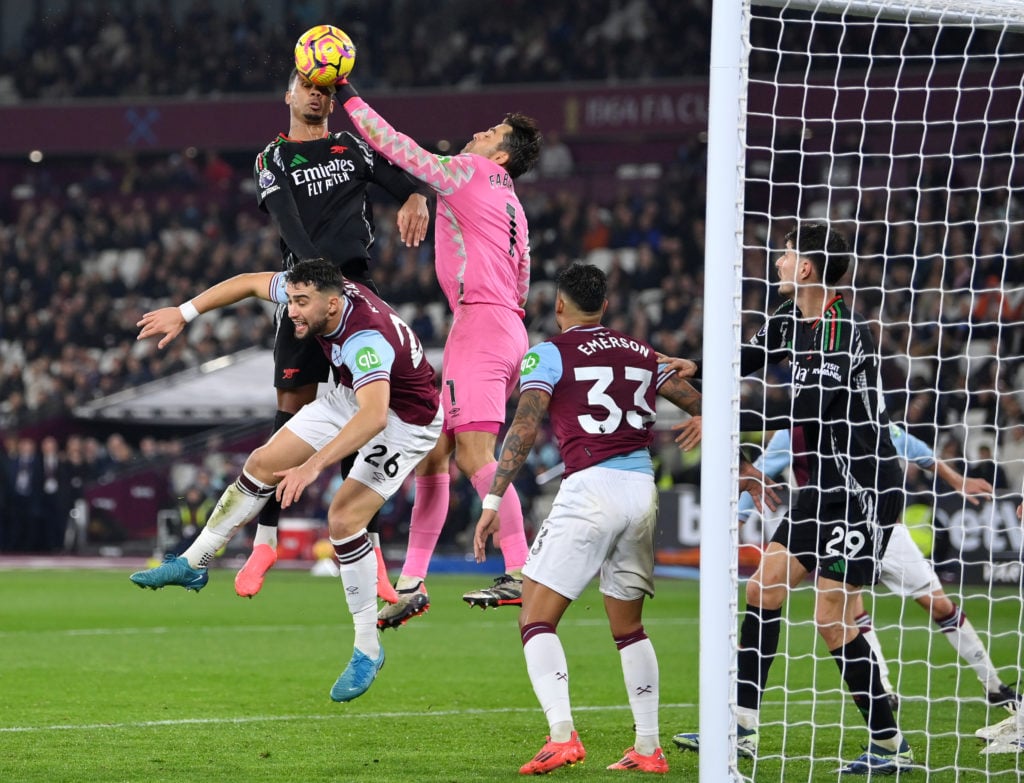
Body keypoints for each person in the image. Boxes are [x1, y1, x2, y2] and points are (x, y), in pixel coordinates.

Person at [469, 262, 773, 775]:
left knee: (535, 618)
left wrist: (493, 500)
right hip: (641, 490)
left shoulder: (548, 352)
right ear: (606, 306)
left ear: (559, 305)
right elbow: (703, 405)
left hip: (589, 488)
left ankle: (562, 736)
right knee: (629, 628)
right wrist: (742, 465)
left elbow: (526, 422)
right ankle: (649, 748)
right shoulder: (641, 352)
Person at [129, 259, 442, 702]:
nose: (292, 310)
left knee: (343, 518)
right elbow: (246, 282)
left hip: (404, 421)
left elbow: (374, 416)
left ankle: (367, 650)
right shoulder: (324, 295)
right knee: (261, 462)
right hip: (355, 397)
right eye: (291, 299)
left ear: (332, 305)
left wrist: (313, 466)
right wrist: (185, 312)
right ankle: (194, 562)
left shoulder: (364, 340)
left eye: (301, 303)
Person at [670, 223, 914, 774]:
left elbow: (817, 410)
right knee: (764, 589)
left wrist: (733, 429)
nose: (778, 261)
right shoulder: (787, 320)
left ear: (806, 267)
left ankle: (890, 745)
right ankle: (742, 728)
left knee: (832, 617)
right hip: (823, 488)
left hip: (864, 488)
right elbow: (748, 360)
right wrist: (699, 372)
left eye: (785, 254)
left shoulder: (841, 329)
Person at [335, 75, 543, 625]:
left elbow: (396, 146)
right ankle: (413, 582)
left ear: (500, 152)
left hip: (478, 327)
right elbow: (522, 280)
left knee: (475, 457)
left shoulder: (469, 171)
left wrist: (348, 95)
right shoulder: (515, 208)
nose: (479, 131)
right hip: (503, 327)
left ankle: (521, 570)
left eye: (491, 130)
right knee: (434, 455)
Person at [240, 68, 432, 603]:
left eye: (325, 89)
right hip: (307, 293)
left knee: (360, 414)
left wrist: (415, 196)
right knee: (288, 412)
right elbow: (286, 224)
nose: (317, 94)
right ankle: (265, 540)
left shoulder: (352, 148)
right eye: (308, 86)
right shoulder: (272, 159)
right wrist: (314, 281)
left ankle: (367, 553)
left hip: (357, 296)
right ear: (290, 95)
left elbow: (403, 178)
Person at [681, 415, 1019, 712]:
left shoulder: (868, 417)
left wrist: (957, 480)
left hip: (886, 533)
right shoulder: (793, 433)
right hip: (832, 529)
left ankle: (993, 685)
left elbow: (915, 448)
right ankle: (883, 692)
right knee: (844, 612)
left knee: (938, 605)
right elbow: (758, 474)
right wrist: (736, 520)